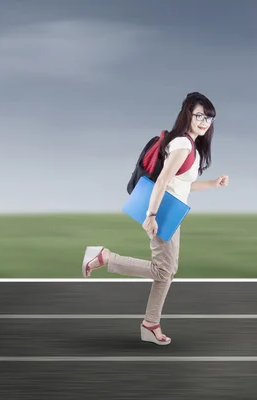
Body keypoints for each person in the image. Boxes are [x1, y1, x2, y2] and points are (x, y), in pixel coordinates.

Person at [80, 92, 229, 345]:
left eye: (209, 118)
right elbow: (161, 181)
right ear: (188, 115)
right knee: (163, 270)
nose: (205, 122)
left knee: (167, 271)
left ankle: (151, 323)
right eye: (200, 116)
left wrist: (213, 184)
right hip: (161, 212)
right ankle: (104, 257)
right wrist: (150, 216)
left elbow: (182, 186)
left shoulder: (189, 145)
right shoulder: (182, 145)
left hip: (171, 211)